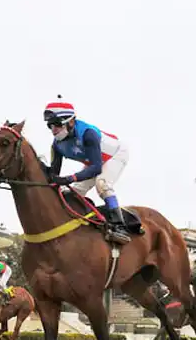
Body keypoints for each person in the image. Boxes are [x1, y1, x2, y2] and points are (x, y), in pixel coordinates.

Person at [43, 95, 131, 244]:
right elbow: (53, 174)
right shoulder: (57, 145)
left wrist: (70, 178)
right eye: (50, 125)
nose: (53, 130)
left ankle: (119, 226)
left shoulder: (88, 134)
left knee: (102, 183)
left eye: (56, 124)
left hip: (115, 154)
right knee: (72, 192)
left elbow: (96, 168)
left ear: (70, 122)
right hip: (94, 161)